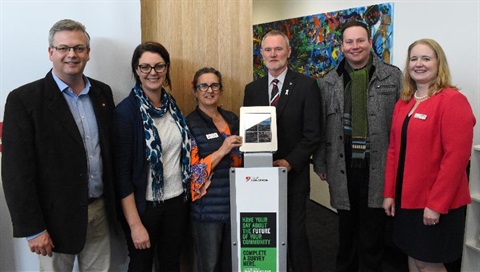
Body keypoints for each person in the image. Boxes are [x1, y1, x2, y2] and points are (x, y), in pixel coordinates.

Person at [1, 19, 116, 271]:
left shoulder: (102, 93)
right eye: (63, 48)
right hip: (53, 222)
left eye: (78, 48)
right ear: (50, 52)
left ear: (87, 52)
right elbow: (16, 173)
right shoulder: (24, 100)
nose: (71, 55)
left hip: (99, 213)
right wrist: (33, 229)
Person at [313, 20, 402, 272]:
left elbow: (400, 126)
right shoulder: (329, 81)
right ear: (341, 47)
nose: (355, 47)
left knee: (373, 231)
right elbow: (321, 125)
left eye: (360, 40)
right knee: (346, 228)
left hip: (378, 166)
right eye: (349, 42)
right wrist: (320, 162)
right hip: (342, 165)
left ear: (370, 43)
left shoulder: (392, 76)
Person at [383, 39, 475, 272]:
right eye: (414, 59)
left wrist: (436, 205)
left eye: (426, 58)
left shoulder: (452, 101)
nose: (419, 64)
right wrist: (389, 193)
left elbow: (456, 160)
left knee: (427, 262)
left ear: (438, 63)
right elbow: (394, 150)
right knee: (413, 257)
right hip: (407, 200)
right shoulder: (404, 102)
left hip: (435, 203)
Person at [243, 30, 322, 272]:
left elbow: (313, 134)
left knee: (295, 234)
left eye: (278, 49)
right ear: (261, 54)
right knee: (266, 231)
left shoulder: (307, 86)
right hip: (261, 175)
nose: (273, 54)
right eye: (268, 49)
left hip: (293, 174)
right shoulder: (252, 89)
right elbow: (249, 132)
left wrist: (289, 162)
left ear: (288, 52)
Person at [113, 41, 191, 272]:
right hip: (145, 208)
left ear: (166, 68)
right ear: (136, 70)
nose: (152, 73)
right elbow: (122, 175)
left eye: (158, 66)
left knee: (171, 263)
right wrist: (135, 224)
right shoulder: (126, 113)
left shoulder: (172, 105)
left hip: (177, 201)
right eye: (145, 67)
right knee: (141, 265)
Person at [187, 67, 243, 271]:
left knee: (232, 264)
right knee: (209, 266)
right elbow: (193, 174)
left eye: (214, 85)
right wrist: (223, 150)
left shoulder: (232, 119)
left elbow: (241, 159)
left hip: (236, 205)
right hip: (207, 210)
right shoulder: (189, 124)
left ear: (221, 89)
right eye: (203, 85)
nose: (209, 90)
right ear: (195, 91)